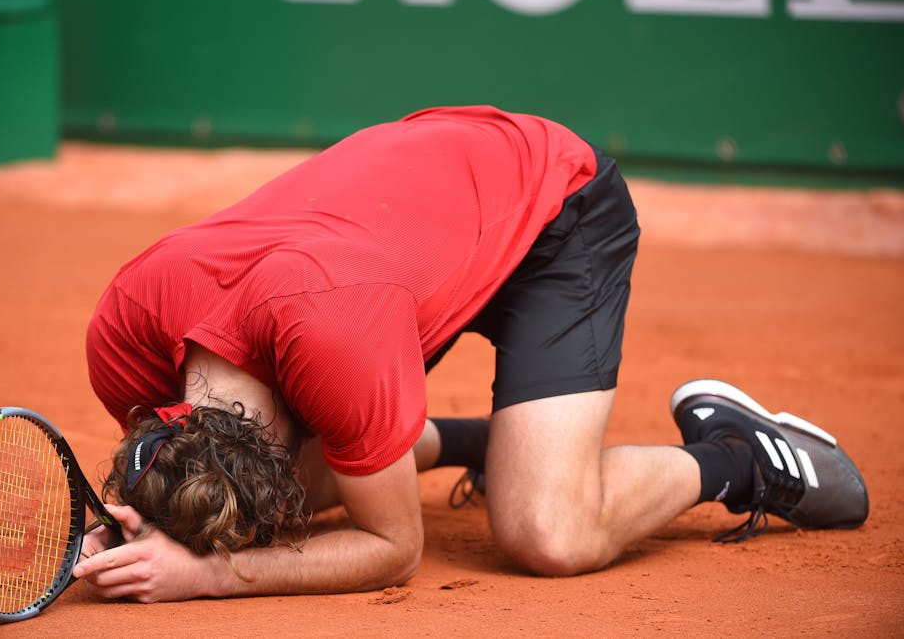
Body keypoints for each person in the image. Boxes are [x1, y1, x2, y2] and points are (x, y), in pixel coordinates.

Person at [73, 105, 868, 602]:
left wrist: (213, 571)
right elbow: (211, 468)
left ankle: (744, 456)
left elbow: (394, 550)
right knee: (286, 487)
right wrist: (156, 514)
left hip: (547, 205)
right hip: (409, 211)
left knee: (549, 533)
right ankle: (494, 444)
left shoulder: (335, 339)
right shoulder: (125, 339)